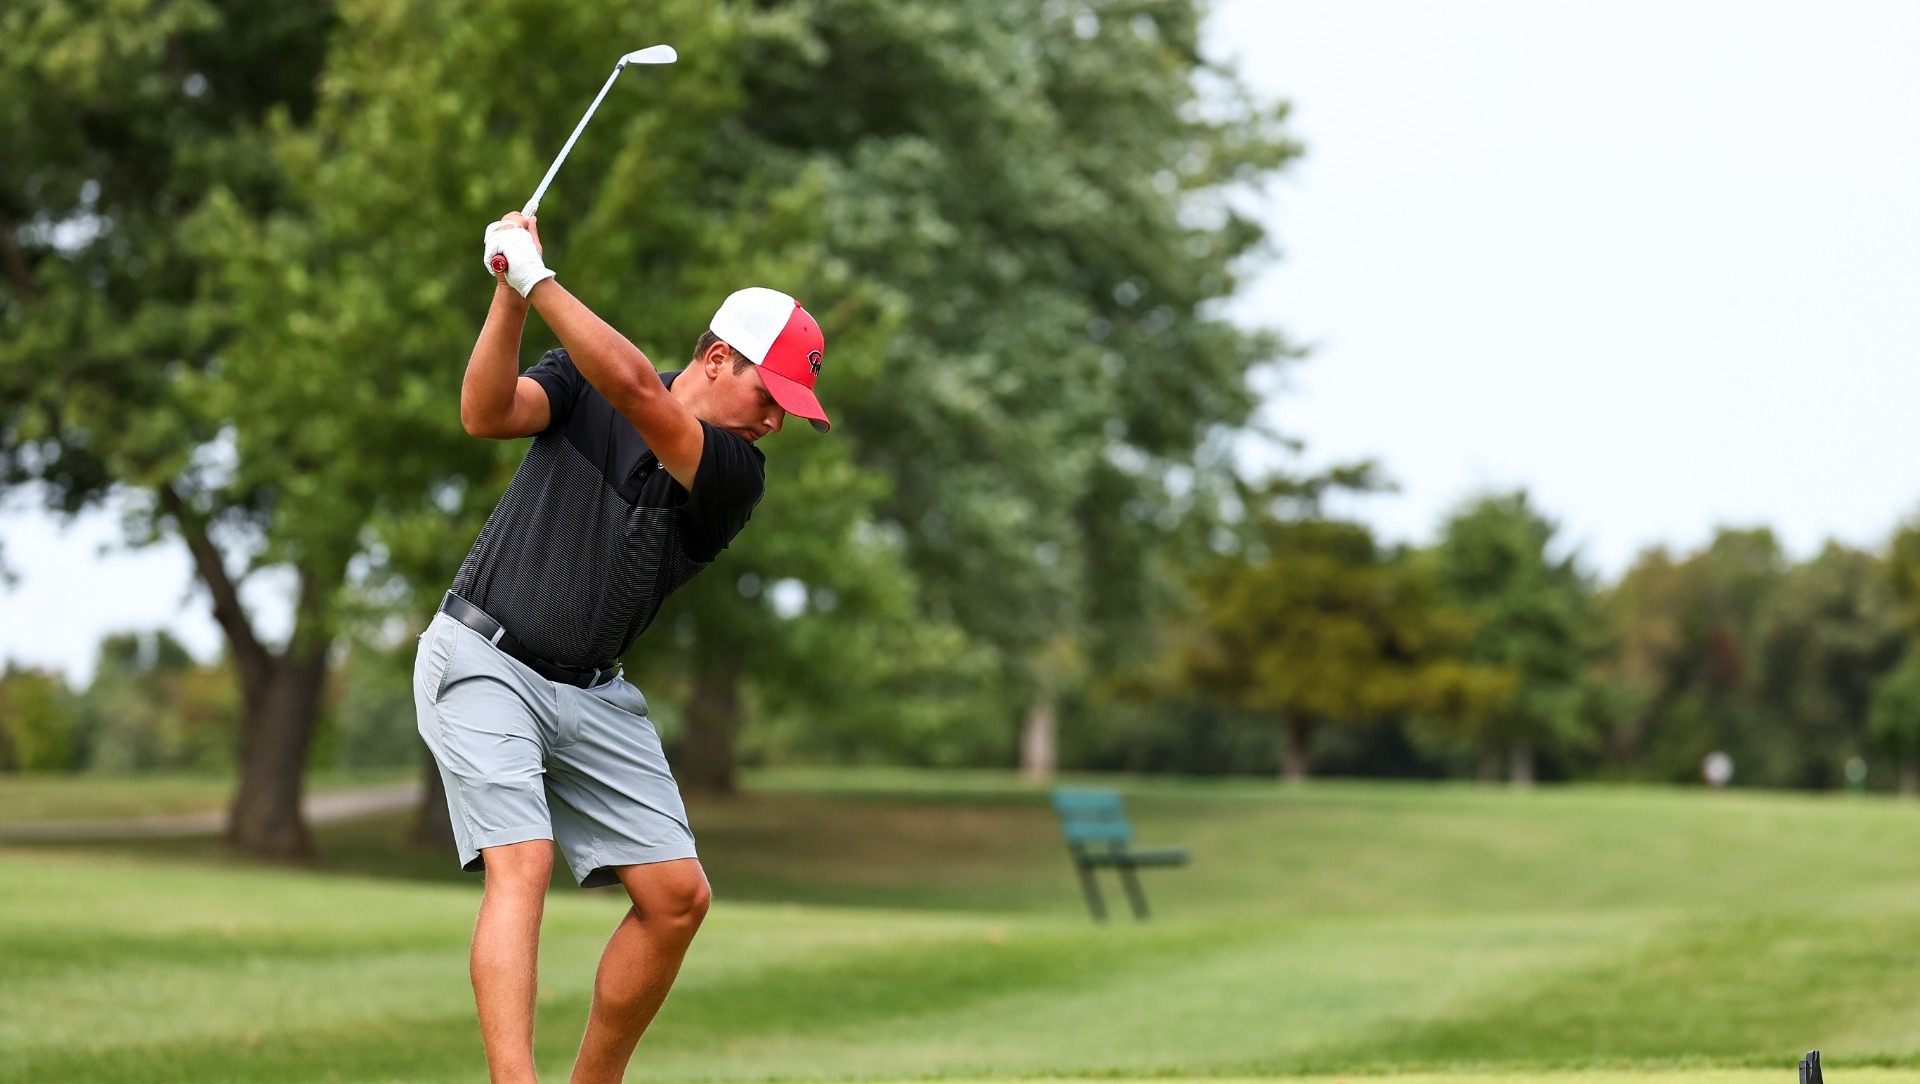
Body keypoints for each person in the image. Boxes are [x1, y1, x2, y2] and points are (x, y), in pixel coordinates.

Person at [413, 211, 831, 1084]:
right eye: (771, 396)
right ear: (718, 358)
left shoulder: (731, 475)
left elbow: (642, 393)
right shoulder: (581, 377)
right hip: (483, 657)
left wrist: (539, 277)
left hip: (593, 694)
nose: (774, 424)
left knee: (678, 901)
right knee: (520, 862)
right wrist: (508, 295)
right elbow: (485, 412)